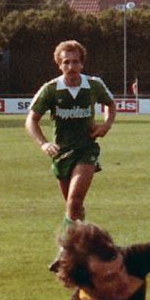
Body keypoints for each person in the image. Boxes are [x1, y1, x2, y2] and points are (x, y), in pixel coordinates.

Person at [26, 40, 117, 235]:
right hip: (61, 153)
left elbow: (111, 105)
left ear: (82, 64)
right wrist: (43, 144)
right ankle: (84, 242)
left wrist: (106, 125)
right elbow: (31, 121)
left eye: (75, 62)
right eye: (66, 62)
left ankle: (66, 250)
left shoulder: (94, 85)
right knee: (74, 207)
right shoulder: (50, 89)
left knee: (75, 200)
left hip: (86, 150)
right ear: (59, 64)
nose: (71, 66)